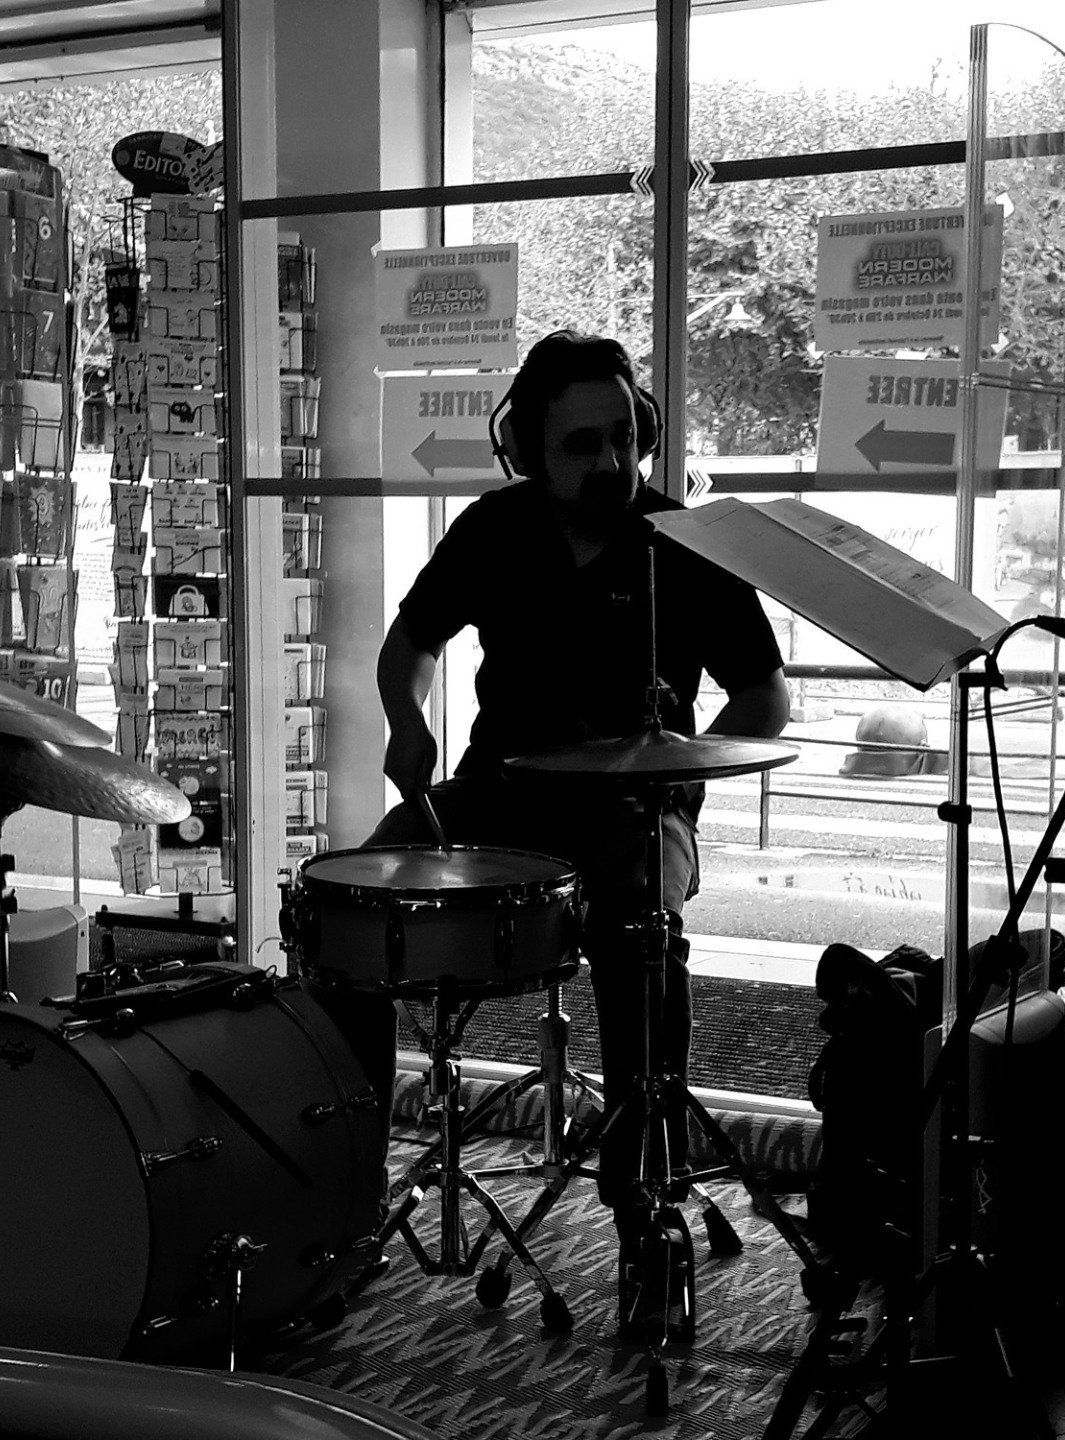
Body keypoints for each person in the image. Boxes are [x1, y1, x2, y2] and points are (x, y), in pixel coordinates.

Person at [320, 330, 789, 1312]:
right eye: (584, 444)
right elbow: (412, 643)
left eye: (625, 437)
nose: (613, 462)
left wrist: (685, 777)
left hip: (634, 811)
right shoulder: (493, 530)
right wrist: (408, 721)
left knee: (640, 930)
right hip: (499, 796)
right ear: (529, 449)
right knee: (351, 901)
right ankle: (344, 1193)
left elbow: (763, 695)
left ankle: (643, 1202)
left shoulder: (683, 543)